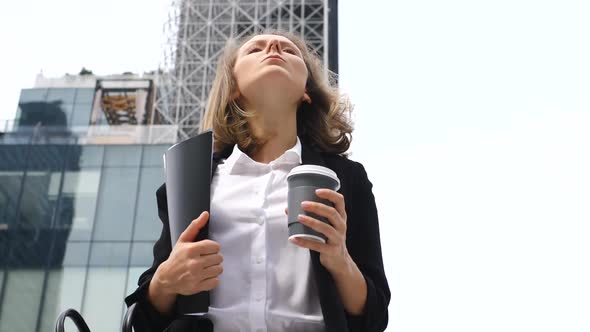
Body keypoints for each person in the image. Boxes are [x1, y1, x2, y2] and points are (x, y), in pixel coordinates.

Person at [125, 30, 390, 332]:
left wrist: (340, 259)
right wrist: (166, 279)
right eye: (255, 49)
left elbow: (374, 315)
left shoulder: (347, 179)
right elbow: (146, 318)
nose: (274, 46)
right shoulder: (191, 179)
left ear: (306, 91)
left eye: (290, 51)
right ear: (234, 88)